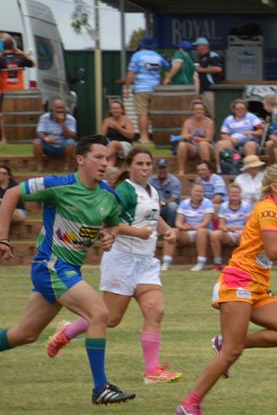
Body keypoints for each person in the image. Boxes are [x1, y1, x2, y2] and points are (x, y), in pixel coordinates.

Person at [175, 163, 277, 415]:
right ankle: (189, 404)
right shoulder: (267, 210)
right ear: (275, 187)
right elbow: (274, 252)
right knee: (233, 351)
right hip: (239, 282)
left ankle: (225, 342)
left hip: (258, 286)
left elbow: (267, 254)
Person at [0, 134, 135, 405]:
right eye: (98, 157)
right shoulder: (59, 186)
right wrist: (3, 237)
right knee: (99, 313)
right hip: (50, 266)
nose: (104, 163)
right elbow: (13, 193)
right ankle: (101, 388)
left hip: (68, 270)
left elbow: (112, 225)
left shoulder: (107, 196)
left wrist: (108, 236)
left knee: (25, 334)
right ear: (81, 160)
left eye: (107, 158)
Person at [46, 147, 182, 384]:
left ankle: (152, 371)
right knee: (109, 319)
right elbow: (108, 223)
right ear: (129, 167)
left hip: (146, 262)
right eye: (139, 164)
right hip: (123, 259)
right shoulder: (124, 191)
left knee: (156, 310)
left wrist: (167, 230)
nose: (145, 168)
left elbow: (154, 216)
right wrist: (137, 233)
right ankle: (66, 333)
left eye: (148, 164)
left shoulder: (152, 191)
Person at [124, 36, 170, 145]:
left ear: (141, 45)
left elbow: (131, 73)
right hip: (156, 89)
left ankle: (144, 138)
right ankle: (157, 137)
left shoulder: (137, 56)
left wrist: (126, 88)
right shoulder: (158, 56)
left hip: (141, 88)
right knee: (154, 114)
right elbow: (167, 66)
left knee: (142, 113)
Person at [164, 181, 212, 272]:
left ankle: (200, 263)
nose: (198, 193)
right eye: (196, 191)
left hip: (204, 232)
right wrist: (183, 227)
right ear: (191, 192)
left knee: (201, 231)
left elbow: (206, 222)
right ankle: (166, 262)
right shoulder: (184, 203)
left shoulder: (208, 203)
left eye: (201, 191)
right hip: (188, 232)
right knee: (171, 231)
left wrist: (192, 228)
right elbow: (178, 222)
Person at [209, 184, 255, 271]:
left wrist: (237, 228)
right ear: (228, 194)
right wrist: (229, 228)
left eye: (236, 192)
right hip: (227, 232)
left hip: (241, 232)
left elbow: (249, 225)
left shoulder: (247, 205)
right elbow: (221, 225)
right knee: (214, 234)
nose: (234, 194)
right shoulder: (223, 206)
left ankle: (244, 263)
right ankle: (217, 263)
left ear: (240, 194)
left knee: (245, 234)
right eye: (232, 192)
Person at [0, 35, 34, 143]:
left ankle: (4, 139)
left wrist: (2, 54)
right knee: (19, 115)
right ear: (14, 47)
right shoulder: (21, 58)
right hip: (19, 93)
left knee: (2, 115)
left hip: (5, 92)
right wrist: (22, 53)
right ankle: (19, 137)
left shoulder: (1, 59)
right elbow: (33, 64)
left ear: (3, 47)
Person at [33, 98, 76, 171]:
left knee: (71, 143)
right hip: (48, 145)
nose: (60, 110)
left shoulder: (71, 119)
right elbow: (39, 132)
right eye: (57, 108)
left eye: (62, 108)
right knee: (37, 142)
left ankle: (67, 167)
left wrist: (62, 123)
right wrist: (45, 138)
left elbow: (71, 136)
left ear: (65, 109)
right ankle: (39, 167)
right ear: (52, 108)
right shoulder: (44, 117)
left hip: (63, 145)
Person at [177, 99, 216, 175]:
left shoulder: (209, 122)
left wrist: (199, 139)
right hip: (193, 146)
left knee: (203, 144)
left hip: (207, 146)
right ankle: (181, 170)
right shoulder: (188, 121)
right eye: (196, 109)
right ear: (193, 111)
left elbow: (209, 139)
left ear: (204, 111)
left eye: (201, 109)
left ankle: (207, 169)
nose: (199, 111)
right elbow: (183, 136)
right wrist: (187, 136)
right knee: (182, 145)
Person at [100, 98, 137, 166]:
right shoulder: (107, 120)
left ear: (122, 110)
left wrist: (117, 127)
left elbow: (131, 135)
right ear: (110, 110)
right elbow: (102, 137)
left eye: (117, 108)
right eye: (113, 108)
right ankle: (107, 173)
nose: (115, 110)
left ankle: (101, 159)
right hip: (111, 147)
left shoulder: (126, 120)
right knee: (112, 157)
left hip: (125, 146)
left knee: (114, 144)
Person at [193, 37, 223, 117]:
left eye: (197, 46)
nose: (197, 48)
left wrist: (201, 70)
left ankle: (218, 129)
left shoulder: (212, 55)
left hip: (211, 90)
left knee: (214, 114)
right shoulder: (202, 57)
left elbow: (218, 69)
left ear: (204, 46)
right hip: (203, 91)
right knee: (204, 115)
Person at [150, 157, 182, 227]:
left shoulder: (174, 181)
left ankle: (169, 230)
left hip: (167, 208)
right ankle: (153, 230)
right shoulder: (151, 180)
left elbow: (175, 198)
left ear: (168, 169)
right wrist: (155, 203)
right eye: (160, 168)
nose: (162, 170)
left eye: (164, 168)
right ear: (157, 169)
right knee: (151, 206)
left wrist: (162, 203)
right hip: (155, 206)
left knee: (173, 206)